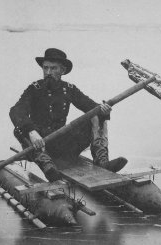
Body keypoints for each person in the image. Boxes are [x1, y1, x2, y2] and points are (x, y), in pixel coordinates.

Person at [9, 48, 127, 182]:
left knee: (96, 115)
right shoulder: (34, 89)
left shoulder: (69, 89)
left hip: (62, 145)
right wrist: (31, 132)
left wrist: (103, 110)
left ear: (62, 71)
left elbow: (91, 106)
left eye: (53, 68)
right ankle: (47, 166)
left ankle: (101, 161)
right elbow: (16, 110)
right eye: (45, 68)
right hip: (39, 144)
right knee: (20, 129)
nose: (48, 73)